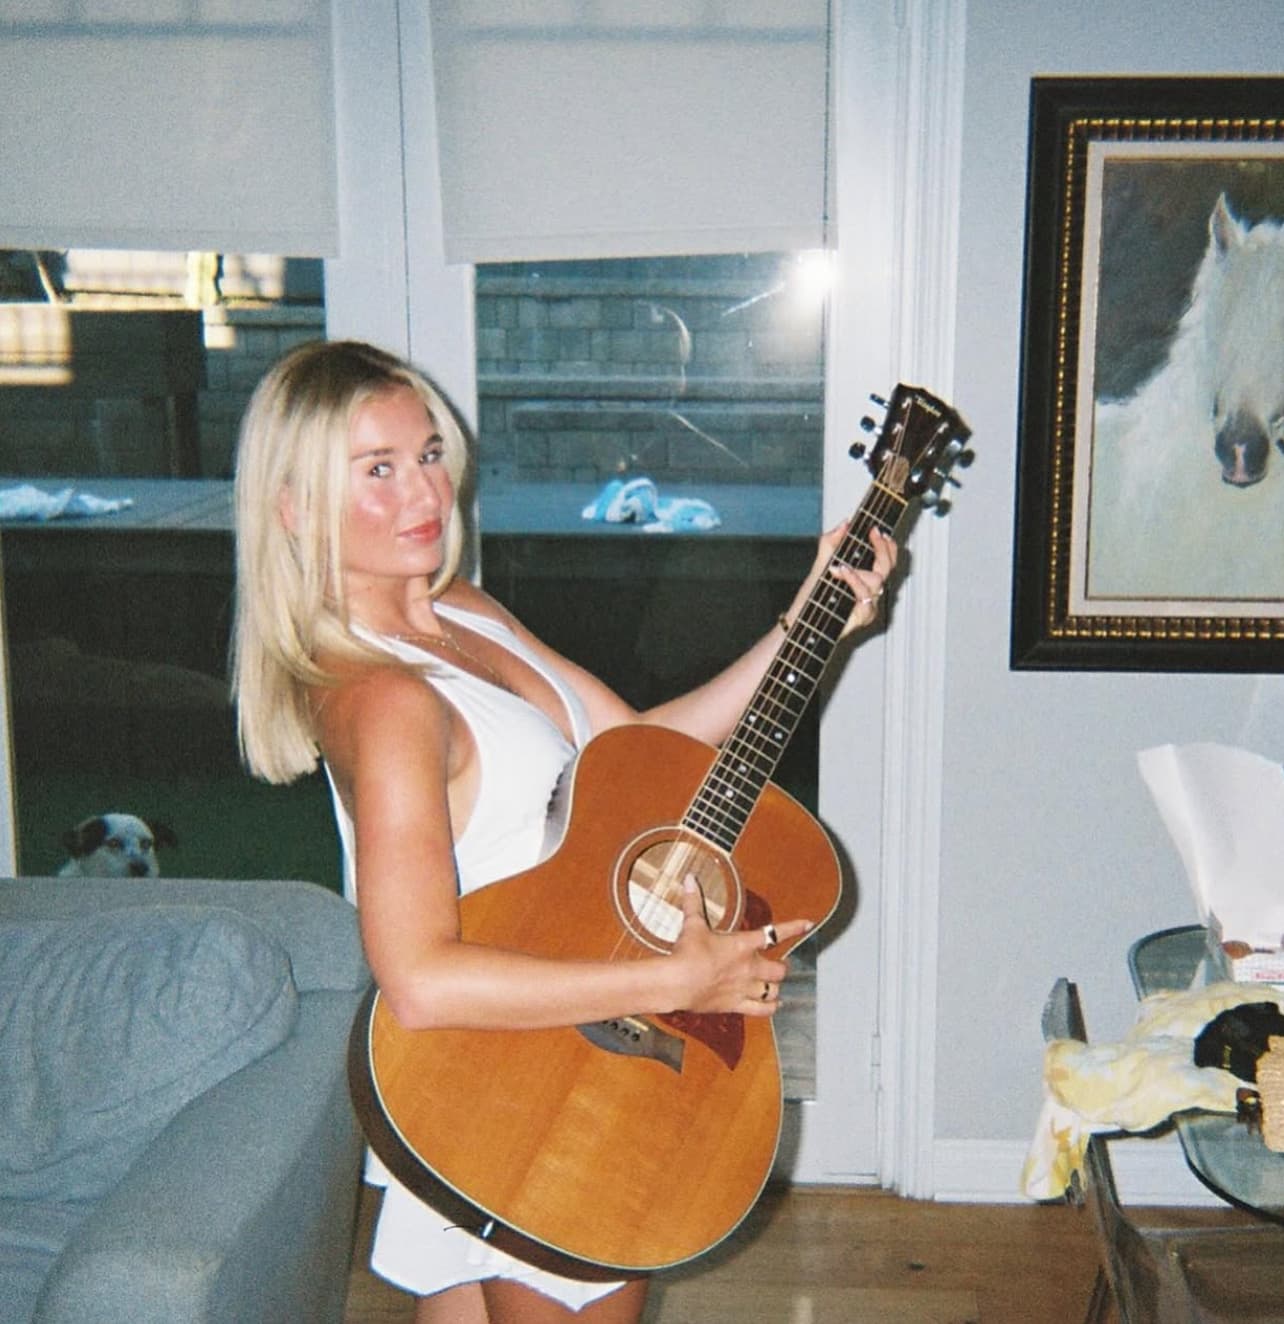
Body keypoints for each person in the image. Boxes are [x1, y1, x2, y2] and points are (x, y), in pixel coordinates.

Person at [231, 339, 897, 1324]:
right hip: (522, 1077)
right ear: (292, 507)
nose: (423, 490)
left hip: (538, 1046)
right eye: (377, 469)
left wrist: (807, 621)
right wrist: (674, 981)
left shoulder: (457, 611)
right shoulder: (383, 700)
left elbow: (633, 751)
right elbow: (417, 978)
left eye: (427, 452)